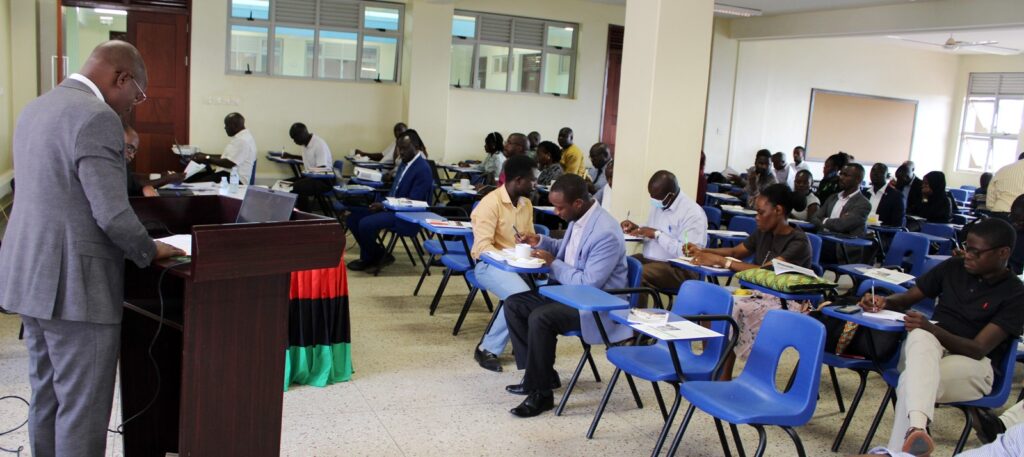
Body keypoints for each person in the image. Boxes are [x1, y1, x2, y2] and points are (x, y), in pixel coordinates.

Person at [0, 40, 185, 457]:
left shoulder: (37, 107)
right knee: (82, 409)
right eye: (136, 95)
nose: (133, 105)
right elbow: (113, 215)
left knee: (46, 394)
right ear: (121, 77)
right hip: (74, 287)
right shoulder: (97, 117)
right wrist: (152, 249)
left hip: (29, 276)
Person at [858, 218, 1024, 455]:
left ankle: (912, 435)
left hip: (974, 366)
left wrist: (933, 329)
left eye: (976, 252)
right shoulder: (954, 267)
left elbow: (978, 348)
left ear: (1003, 253)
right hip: (927, 352)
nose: (967, 255)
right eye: (967, 247)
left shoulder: (1015, 293)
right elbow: (907, 298)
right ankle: (916, 432)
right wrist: (883, 301)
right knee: (920, 338)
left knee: (909, 382)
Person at [503, 175, 631, 417]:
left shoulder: (606, 232)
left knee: (541, 318)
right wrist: (540, 241)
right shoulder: (580, 217)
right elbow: (570, 251)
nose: (555, 211)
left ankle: (541, 394)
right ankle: (539, 375)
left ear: (578, 203)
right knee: (514, 304)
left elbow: (588, 284)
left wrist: (552, 263)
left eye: (560, 207)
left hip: (597, 303)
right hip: (567, 293)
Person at [685, 184, 813, 377]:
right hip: (757, 294)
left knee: (731, 308)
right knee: (713, 304)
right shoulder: (764, 231)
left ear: (778, 210)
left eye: (761, 212)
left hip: (787, 301)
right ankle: (712, 366)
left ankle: (723, 376)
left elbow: (766, 271)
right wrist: (702, 251)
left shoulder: (798, 242)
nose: (756, 217)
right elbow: (737, 252)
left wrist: (722, 262)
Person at [470, 155, 539, 372]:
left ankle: (523, 343)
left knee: (536, 294)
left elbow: (531, 235)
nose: (535, 184)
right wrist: (509, 258)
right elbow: (482, 248)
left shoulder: (526, 203)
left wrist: (528, 242)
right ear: (518, 180)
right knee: (519, 296)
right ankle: (486, 349)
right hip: (490, 266)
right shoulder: (489, 204)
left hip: (520, 267)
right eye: (532, 180)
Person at [346, 130, 433, 273]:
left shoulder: (423, 169)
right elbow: (394, 192)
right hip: (392, 208)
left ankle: (371, 257)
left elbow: (414, 202)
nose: (401, 152)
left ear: (416, 146)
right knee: (352, 219)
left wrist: (385, 205)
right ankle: (379, 254)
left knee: (365, 224)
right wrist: (382, 203)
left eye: (405, 148)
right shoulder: (405, 164)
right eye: (400, 148)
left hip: (407, 216)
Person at [620, 171, 707, 302]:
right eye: (651, 196)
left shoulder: (693, 214)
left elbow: (690, 254)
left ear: (670, 195)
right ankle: (617, 311)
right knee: (619, 264)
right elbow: (651, 230)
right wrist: (638, 229)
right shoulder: (661, 203)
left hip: (681, 269)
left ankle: (634, 317)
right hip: (652, 259)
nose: (653, 200)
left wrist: (657, 235)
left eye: (656, 197)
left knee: (640, 273)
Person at [811, 163, 871, 263]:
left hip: (842, 247)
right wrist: (831, 223)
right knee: (802, 240)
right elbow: (814, 218)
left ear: (858, 179)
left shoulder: (863, 203)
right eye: (841, 174)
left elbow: (841, 225)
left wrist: (824, 220)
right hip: (824, 239)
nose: (841, 177)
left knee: (809, 245)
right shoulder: (833, 197)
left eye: (846, 175)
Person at [187, 112, 257, 185]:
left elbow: (228, 163)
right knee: (191, 179)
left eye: (226, 125)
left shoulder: (242, 141)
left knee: (194, 185)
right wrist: (203, 155)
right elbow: (226, 157)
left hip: (235, 179)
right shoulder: (241, 137)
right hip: (226, 173)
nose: (225, 128)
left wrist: (206, 158)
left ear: (234, 126)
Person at [281, 122, 334, 211]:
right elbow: (308, 158)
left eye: (295, 138)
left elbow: (322, 168)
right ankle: (288, 212)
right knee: (283, 183)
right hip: (312, 178)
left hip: (324, 180)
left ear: (303, 133)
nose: (294, 141)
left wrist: (306, 174)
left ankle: (303, 215)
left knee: (296, 187)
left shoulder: (319, 144)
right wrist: (291, 156)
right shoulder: (305, 144)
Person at [864, 163, 906, 227]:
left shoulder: (896, 196)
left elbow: (897, 225)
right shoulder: (864, 193)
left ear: (887, 176)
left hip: (881, 234)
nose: (875, 173)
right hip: (860, 232)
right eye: (873, 170)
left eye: (880, 172)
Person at [123, 125, 158, 197]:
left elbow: (132, 182)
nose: (132, 156)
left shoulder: (124, 164)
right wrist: (166, 180)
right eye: (129, 148)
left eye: (134, 151)